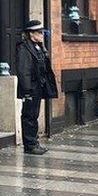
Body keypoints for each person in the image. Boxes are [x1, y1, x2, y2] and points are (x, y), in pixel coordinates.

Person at [16, 20, 57, 155]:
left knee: (34, 115)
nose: (41, 35)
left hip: (38, 87)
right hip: (30, 89)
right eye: (39, 32)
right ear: (31, 34)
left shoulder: (38, 46)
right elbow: (23, 71)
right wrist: (27, 91)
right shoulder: (24, 48)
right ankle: (30, 145)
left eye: (42, 32)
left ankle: (34, 142)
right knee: (29, 116)